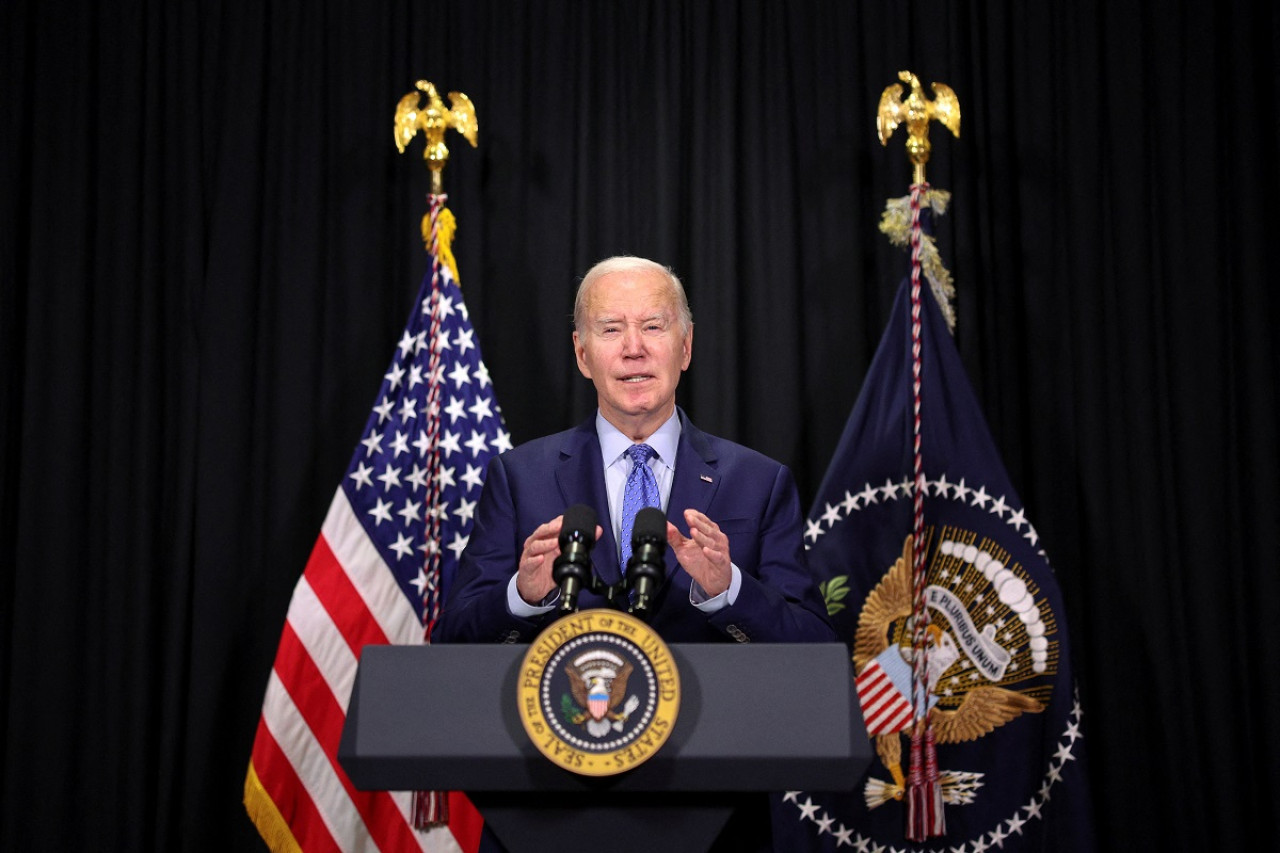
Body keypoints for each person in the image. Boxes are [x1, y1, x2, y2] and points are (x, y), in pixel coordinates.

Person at [435, 255, 835, 646]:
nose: (633, 348)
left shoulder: (759, 482)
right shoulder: (519, 478)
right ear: (581, 353)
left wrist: (729, 589)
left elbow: (815, 644)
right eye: (610, 330)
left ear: (686, 346)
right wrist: (522, 596)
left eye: (653, 326)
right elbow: (451, 640)